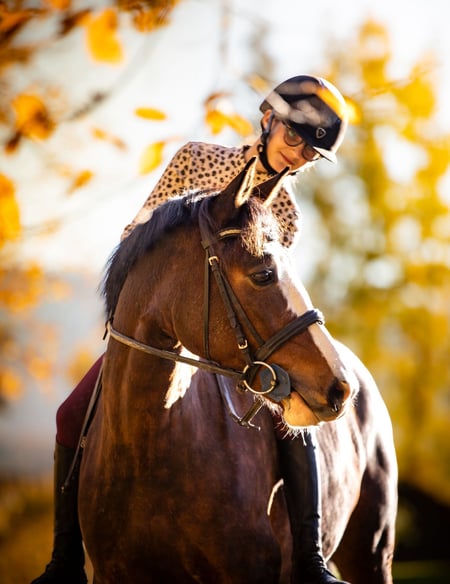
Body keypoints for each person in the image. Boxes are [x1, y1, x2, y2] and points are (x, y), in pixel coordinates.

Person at [31, 74, 350, 584]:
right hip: (164, 334)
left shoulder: (286, 213)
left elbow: (272, 297)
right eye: (294, 135)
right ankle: (64, 562)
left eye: (311, 152)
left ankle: (311, 560)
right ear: (268, 120)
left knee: (294, 425)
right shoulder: (198, 160)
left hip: (239, 350)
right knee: (70, 415)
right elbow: (135, 239)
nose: (298, 154)